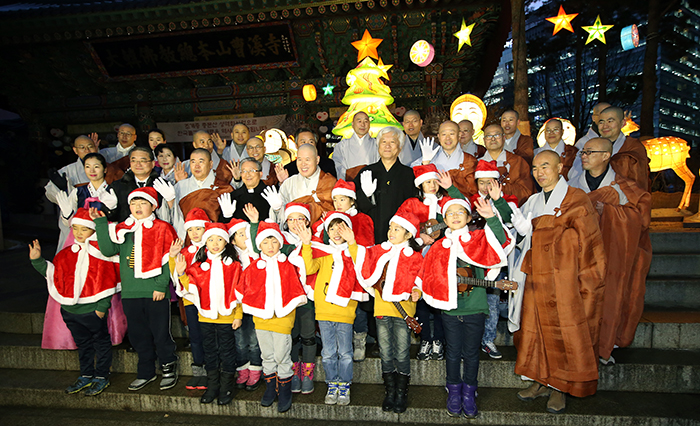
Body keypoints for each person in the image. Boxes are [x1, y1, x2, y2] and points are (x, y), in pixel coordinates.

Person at [510, 151, 606, 414]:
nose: (540, 172)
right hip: (536, 277)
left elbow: (587, 241)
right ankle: (540, 380)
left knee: (563, 332)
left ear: (560, 167)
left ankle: (560, 387)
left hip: (565, 279)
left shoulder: (576, 198)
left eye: (545, 166)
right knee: (535, 330)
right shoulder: (531, 201)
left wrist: (546, 230)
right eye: (535, 167)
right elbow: (523, 239)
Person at [417, 198, 514, 418]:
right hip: (450, 309)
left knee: (471, 353)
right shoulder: (439, 246)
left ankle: (470, 392)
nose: (455, 215)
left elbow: (500, 241)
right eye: (449, 213)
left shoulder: (479, 238)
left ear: (469, 217)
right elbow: (427, 273)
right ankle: (453, 391)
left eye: (460, 211)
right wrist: (419, 288)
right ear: (444, 219)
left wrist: (491, 217)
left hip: (475, 307)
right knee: (452, 353)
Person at [569, 138, 651, 365]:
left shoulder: (622, 187)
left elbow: (640, 219)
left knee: (608, 296)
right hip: (579, 253)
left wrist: (610, 211)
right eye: (583, 152)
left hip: (610, 252)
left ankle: (603, 344)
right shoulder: (571, 182)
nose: (583, 155)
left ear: (606, 156)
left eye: (590, 152)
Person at [91, 187, 179, 392]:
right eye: (133, 203)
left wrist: (160, 285)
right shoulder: (124, 228)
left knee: (160, 333)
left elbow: (169, 258)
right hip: (130, 291)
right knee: (138, 335)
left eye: (143, 203)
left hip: (155, 291)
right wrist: (101, 223)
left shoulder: (162, 227)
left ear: (152, 206)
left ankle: (168, 367)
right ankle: (146, 372)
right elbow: (108, 250)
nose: (137, 208)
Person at [28, 208, 120, 396]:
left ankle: (101, 376)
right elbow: (54, 274)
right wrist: (37, 261)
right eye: (75, 228)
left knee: (101, 344)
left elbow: (107, 280)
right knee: (83, 344)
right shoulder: (65, 253)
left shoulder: (100, 254)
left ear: (93, 231)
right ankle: (86, 375)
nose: (78, 233)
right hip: (70, 311)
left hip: (93, 310)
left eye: (84, 229)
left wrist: (101, 308)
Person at [354, 212, 423, 413]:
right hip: (382, 308)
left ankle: (401, 393)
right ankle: (390, 391)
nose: (391, 232)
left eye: (397, 229)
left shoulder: (415, 256)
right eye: (390, 228)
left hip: (404, 311)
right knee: (385, 351)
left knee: (401, 352)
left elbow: (420, 277)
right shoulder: (380, 251)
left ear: (408, 234)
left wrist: (417, 290)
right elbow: (365, 265)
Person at [235, 220, 308, 413]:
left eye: (274, 242)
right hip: (261, 318)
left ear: (280, 243)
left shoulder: (288, 265)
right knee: (266, 355)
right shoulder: (253, 267)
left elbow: (296, 288)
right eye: (266, 243)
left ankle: (284, 390)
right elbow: (242, 290)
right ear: (259, 244)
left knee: (281, 355)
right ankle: (270, 388)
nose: (270, 246)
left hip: (283, 317)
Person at [297, 213, 367, 406]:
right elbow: (309, 268)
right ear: (327, 232)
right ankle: (332, 384)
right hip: (324, 310)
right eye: (332, 228)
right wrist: (306, 244)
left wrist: (352, 241)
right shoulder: (325, 253)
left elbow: (361, 264)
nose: (337, 232)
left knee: (345, 352)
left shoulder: (353, 252)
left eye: (341, 227)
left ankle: (344, 385)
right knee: (328, 352)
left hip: (345, 310)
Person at [175, 222, 243, 406]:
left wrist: (238, 315)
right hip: (205, 316)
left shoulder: (234, 265)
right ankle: (213, 385)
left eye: (219, 239)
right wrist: (181, 274)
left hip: (227, 316)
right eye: (211, 239)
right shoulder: (199, 266)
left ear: (226, 242)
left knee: (227, 351)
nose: (215, 243)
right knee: (210, 351)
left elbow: (239, 292)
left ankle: (227, 386)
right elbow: (190, 288)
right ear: (205, 244)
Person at [469, 160, 520, 360]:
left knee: (491, 298)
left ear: (498, 182)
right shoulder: (472, 200)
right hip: (474, 257)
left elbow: (510, 219)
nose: (485, 187)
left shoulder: (508, 199)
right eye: (481, 182)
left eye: (490, 182)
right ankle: (472, 338)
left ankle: (488, 338)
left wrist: (498, 201)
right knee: (473, 296)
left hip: (497, 258)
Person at [167, 208, 210, 391]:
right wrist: (172, 256)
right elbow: (175, 274)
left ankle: (212, 371)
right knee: (195, 336)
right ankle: (198, 372)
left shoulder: (212, 249)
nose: (194, 233)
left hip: (209, 301)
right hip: (191, 301)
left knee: (209, 336)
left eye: (198, 229)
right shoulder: (184, 251)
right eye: (190, 230)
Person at [354, 126, 419, 243]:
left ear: (400, 147)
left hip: (400, 239)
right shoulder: (366, 172)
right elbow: (352, 204)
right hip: (369, 235)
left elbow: (416, 206)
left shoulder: (409, 174)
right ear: (378, 146)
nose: (387, 146)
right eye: (383, 142)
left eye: (392, 142)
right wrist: (366, 196)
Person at [568, 106, 649, 190]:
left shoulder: (633, 147)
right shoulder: (588, 145)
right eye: (601, 122)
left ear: (623, 123)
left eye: (610, 121)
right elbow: (575, 174)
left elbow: (638, 184)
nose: (605, 126)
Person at [226, 217, 263, 391]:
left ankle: (256, 370)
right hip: (238, 306)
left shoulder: (257, 255)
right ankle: (243, 369)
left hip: (256, 304)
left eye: (247, 233)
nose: (245, 237)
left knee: (255, 341)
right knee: (240, 341)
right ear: (233, 240)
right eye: (241, 234)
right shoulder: (230, 260)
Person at [268, 143, 337, 224]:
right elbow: (279, 221)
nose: (303, 164)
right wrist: (276, 209)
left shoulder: (330, 182)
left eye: (307, 159)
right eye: (299, 159)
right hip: (293, 234)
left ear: (317, 160)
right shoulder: (289, 183)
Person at [172, 148, 232, 239]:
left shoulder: (224, 188)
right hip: (187, 240)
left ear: (211, 164)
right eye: (193, 162)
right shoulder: (180, 186)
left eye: (201, 161)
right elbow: (175, 217)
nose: (197, 166)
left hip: (215, 241)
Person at [413, 120, 478, 200]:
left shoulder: (470, 161)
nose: (448, 138)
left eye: (452, 134)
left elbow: (473, 192)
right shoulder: (429, 157)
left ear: (459, 135)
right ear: (439, 136)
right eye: (444, 134)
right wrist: (426, 163)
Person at [109, 147, 174, 223]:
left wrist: (171, 201)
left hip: (156, 232)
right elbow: (112, 217)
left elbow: (174, 217)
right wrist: (110, 208)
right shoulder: (117, 186)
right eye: (134, 161)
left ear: (153, 164)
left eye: (143, 161)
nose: (138, 164)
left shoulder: (163, 186)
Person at [478, 124, 534, 206]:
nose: (493, 139)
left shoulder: (517, 161)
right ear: (484, 140)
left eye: (497, 135)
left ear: (504, 138)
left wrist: (501, 187)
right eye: (489, 136)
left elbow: (526, 191)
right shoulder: (476, 163)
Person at [311, 180, 375, 248]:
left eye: (342, 200)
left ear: (352, 201)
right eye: (335, 200)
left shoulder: (362, 218)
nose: (338, 204)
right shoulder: (331, 217)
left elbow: (367, 246)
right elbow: (317, 235)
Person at [222, 158, 273, 222]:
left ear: (260, 174)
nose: (248, 175)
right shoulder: (233, 196)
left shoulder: (271, 194)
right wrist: (227, 216)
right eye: (244, 171)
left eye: (251, 171)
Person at [333, 111, 378, 181]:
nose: (362, 124)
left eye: (366, 121)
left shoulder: (377, 144)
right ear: (353, 124)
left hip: (372, 183)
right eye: (359, 121)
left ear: (369, 124)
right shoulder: (341, 146)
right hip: (349, 185)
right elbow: (338, 166)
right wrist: (350, 174)